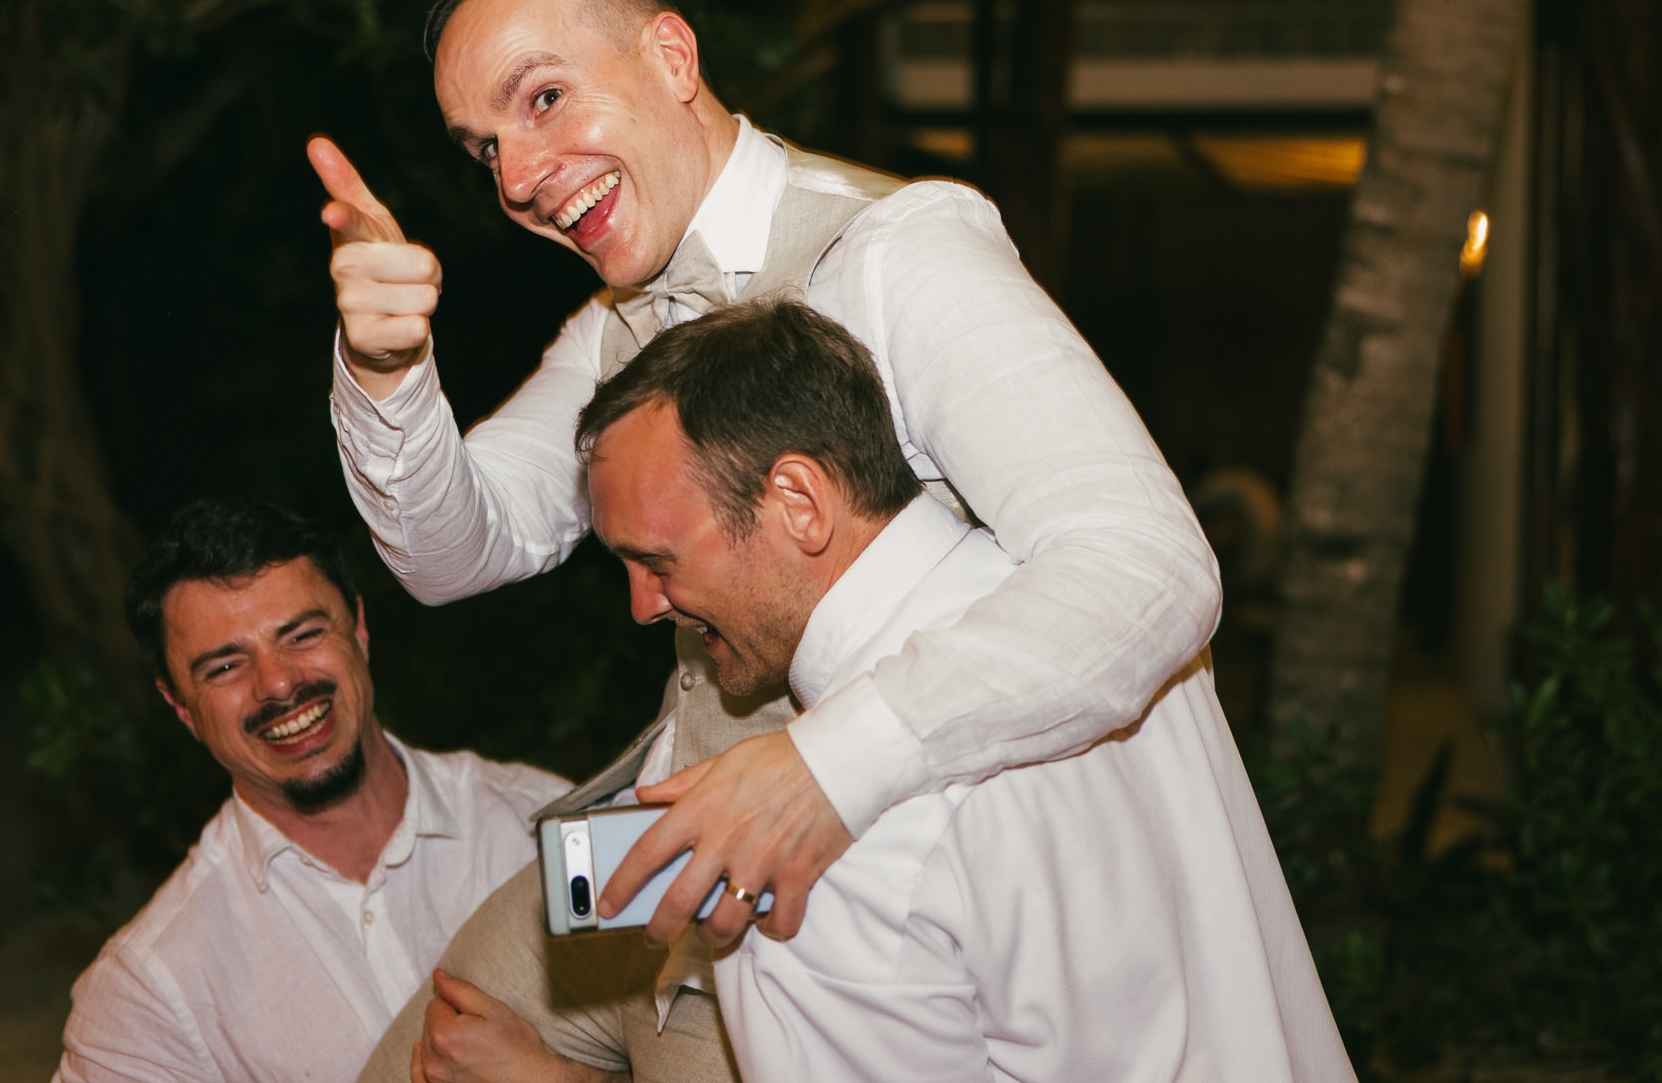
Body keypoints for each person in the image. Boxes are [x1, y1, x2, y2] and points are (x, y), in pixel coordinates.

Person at [315, 0, 1220, 1081]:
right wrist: (387, 371)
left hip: (847, 908)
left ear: (671, 56)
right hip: (658, 848)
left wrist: (820, 770)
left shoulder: (901, 256)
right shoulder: (612, 327)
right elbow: (452, 554)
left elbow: (1148, 567)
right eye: (485, 147)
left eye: (543, 99)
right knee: (415, 1060)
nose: (519, 176)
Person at [576, 299, 1356, 1082]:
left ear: (799, 503)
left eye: (658, 562)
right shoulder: (1114, 631)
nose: (643, 606)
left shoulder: (802, 851)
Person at [52, 497, 584, 1083]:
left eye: (302, 634)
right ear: (179, 705)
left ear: (358, 627)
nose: (279, 684)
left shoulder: (544, 829)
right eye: (224, 667)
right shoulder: (147, 997)